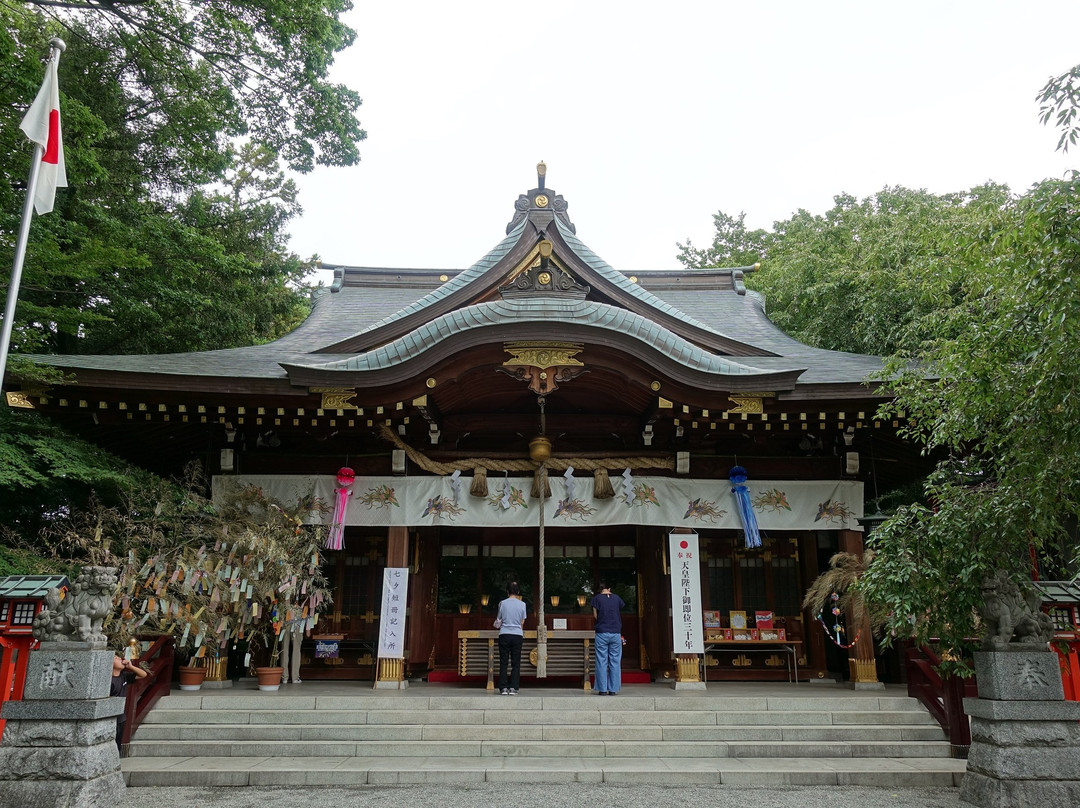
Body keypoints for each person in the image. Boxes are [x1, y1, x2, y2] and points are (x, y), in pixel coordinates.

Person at [591, 580, 625, 695]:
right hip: (616, 632)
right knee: (615, 661)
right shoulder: (617, 598)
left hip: (602, 632)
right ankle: (613, 689)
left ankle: (602, 689)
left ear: (600, 590)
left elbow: (595, 615)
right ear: (609, 588)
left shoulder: (596, 599)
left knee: (601, 661)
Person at [495, 581, 527, 695]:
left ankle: (503, 687)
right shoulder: (522, 604)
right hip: (517, 634)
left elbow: (499, 619)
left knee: (503, 661)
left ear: (507, 591)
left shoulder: (502, 603)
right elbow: (522, 621)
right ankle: (514, 687)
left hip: (504, 633)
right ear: (518, 591)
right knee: (516, 662)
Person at [112, 652, 147, 752]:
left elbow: (143, 674)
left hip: (121, 716)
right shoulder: (108, 680)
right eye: (116, 658)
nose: (120, 659)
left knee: (117, 742)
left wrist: (131, 667)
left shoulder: (124, 676)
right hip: (111, 715)